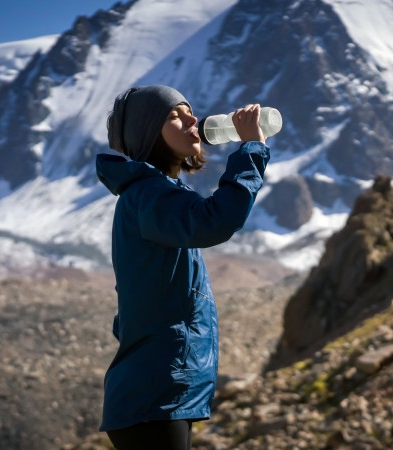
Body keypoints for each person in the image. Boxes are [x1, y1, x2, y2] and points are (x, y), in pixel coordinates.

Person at [95, 85, 270, 449]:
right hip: (154, 397)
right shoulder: (149, 195)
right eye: (174, 116)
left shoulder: (156, 194)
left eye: (190, 111)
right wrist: (251, 147)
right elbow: (215, 221)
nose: (192, 119)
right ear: (148, 133)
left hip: (158, 395)